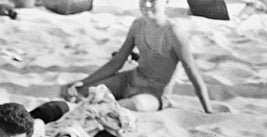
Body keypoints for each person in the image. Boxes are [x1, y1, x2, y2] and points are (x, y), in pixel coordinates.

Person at [63, 0, 213, 113]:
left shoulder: (174, 33)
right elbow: (117, 62)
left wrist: (208, 110)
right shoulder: (138, 24)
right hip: (130, 80)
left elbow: (193, 75)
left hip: (154, 94)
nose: (146, 5)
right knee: (82, 92)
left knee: (130, 106)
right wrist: (83, 82)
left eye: (153, 1)